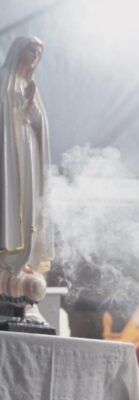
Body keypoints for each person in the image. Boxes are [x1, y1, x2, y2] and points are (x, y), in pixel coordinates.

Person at [0, 37, 53, 314]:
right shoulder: (3, 81)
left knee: (29, 209)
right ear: (18, 52)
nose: (34, 56)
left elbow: (39, 125)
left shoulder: (30, 87)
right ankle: (6, 263)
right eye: (31, 50)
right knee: (8, 203)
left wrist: (31, 103)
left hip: (27, 156)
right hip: (6, 155)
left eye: (39, 53)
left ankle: (23, 263)